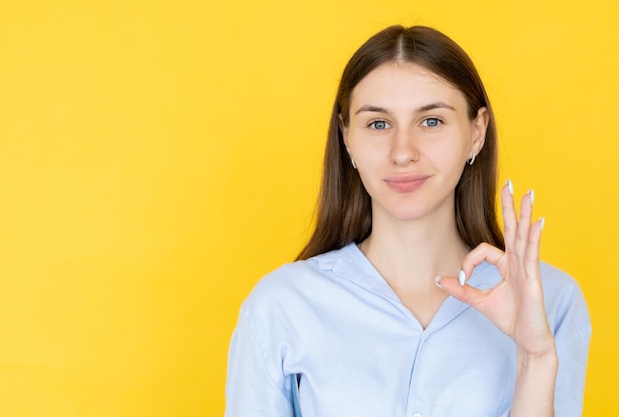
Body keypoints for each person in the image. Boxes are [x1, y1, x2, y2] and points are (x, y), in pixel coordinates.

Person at [225, 25, 591, 417]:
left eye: (431, 121)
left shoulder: (551, 300)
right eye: (378, 124)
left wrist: (535, 358)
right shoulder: (280, 305)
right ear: (347, 137)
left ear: (477, 132)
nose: (403, 153)